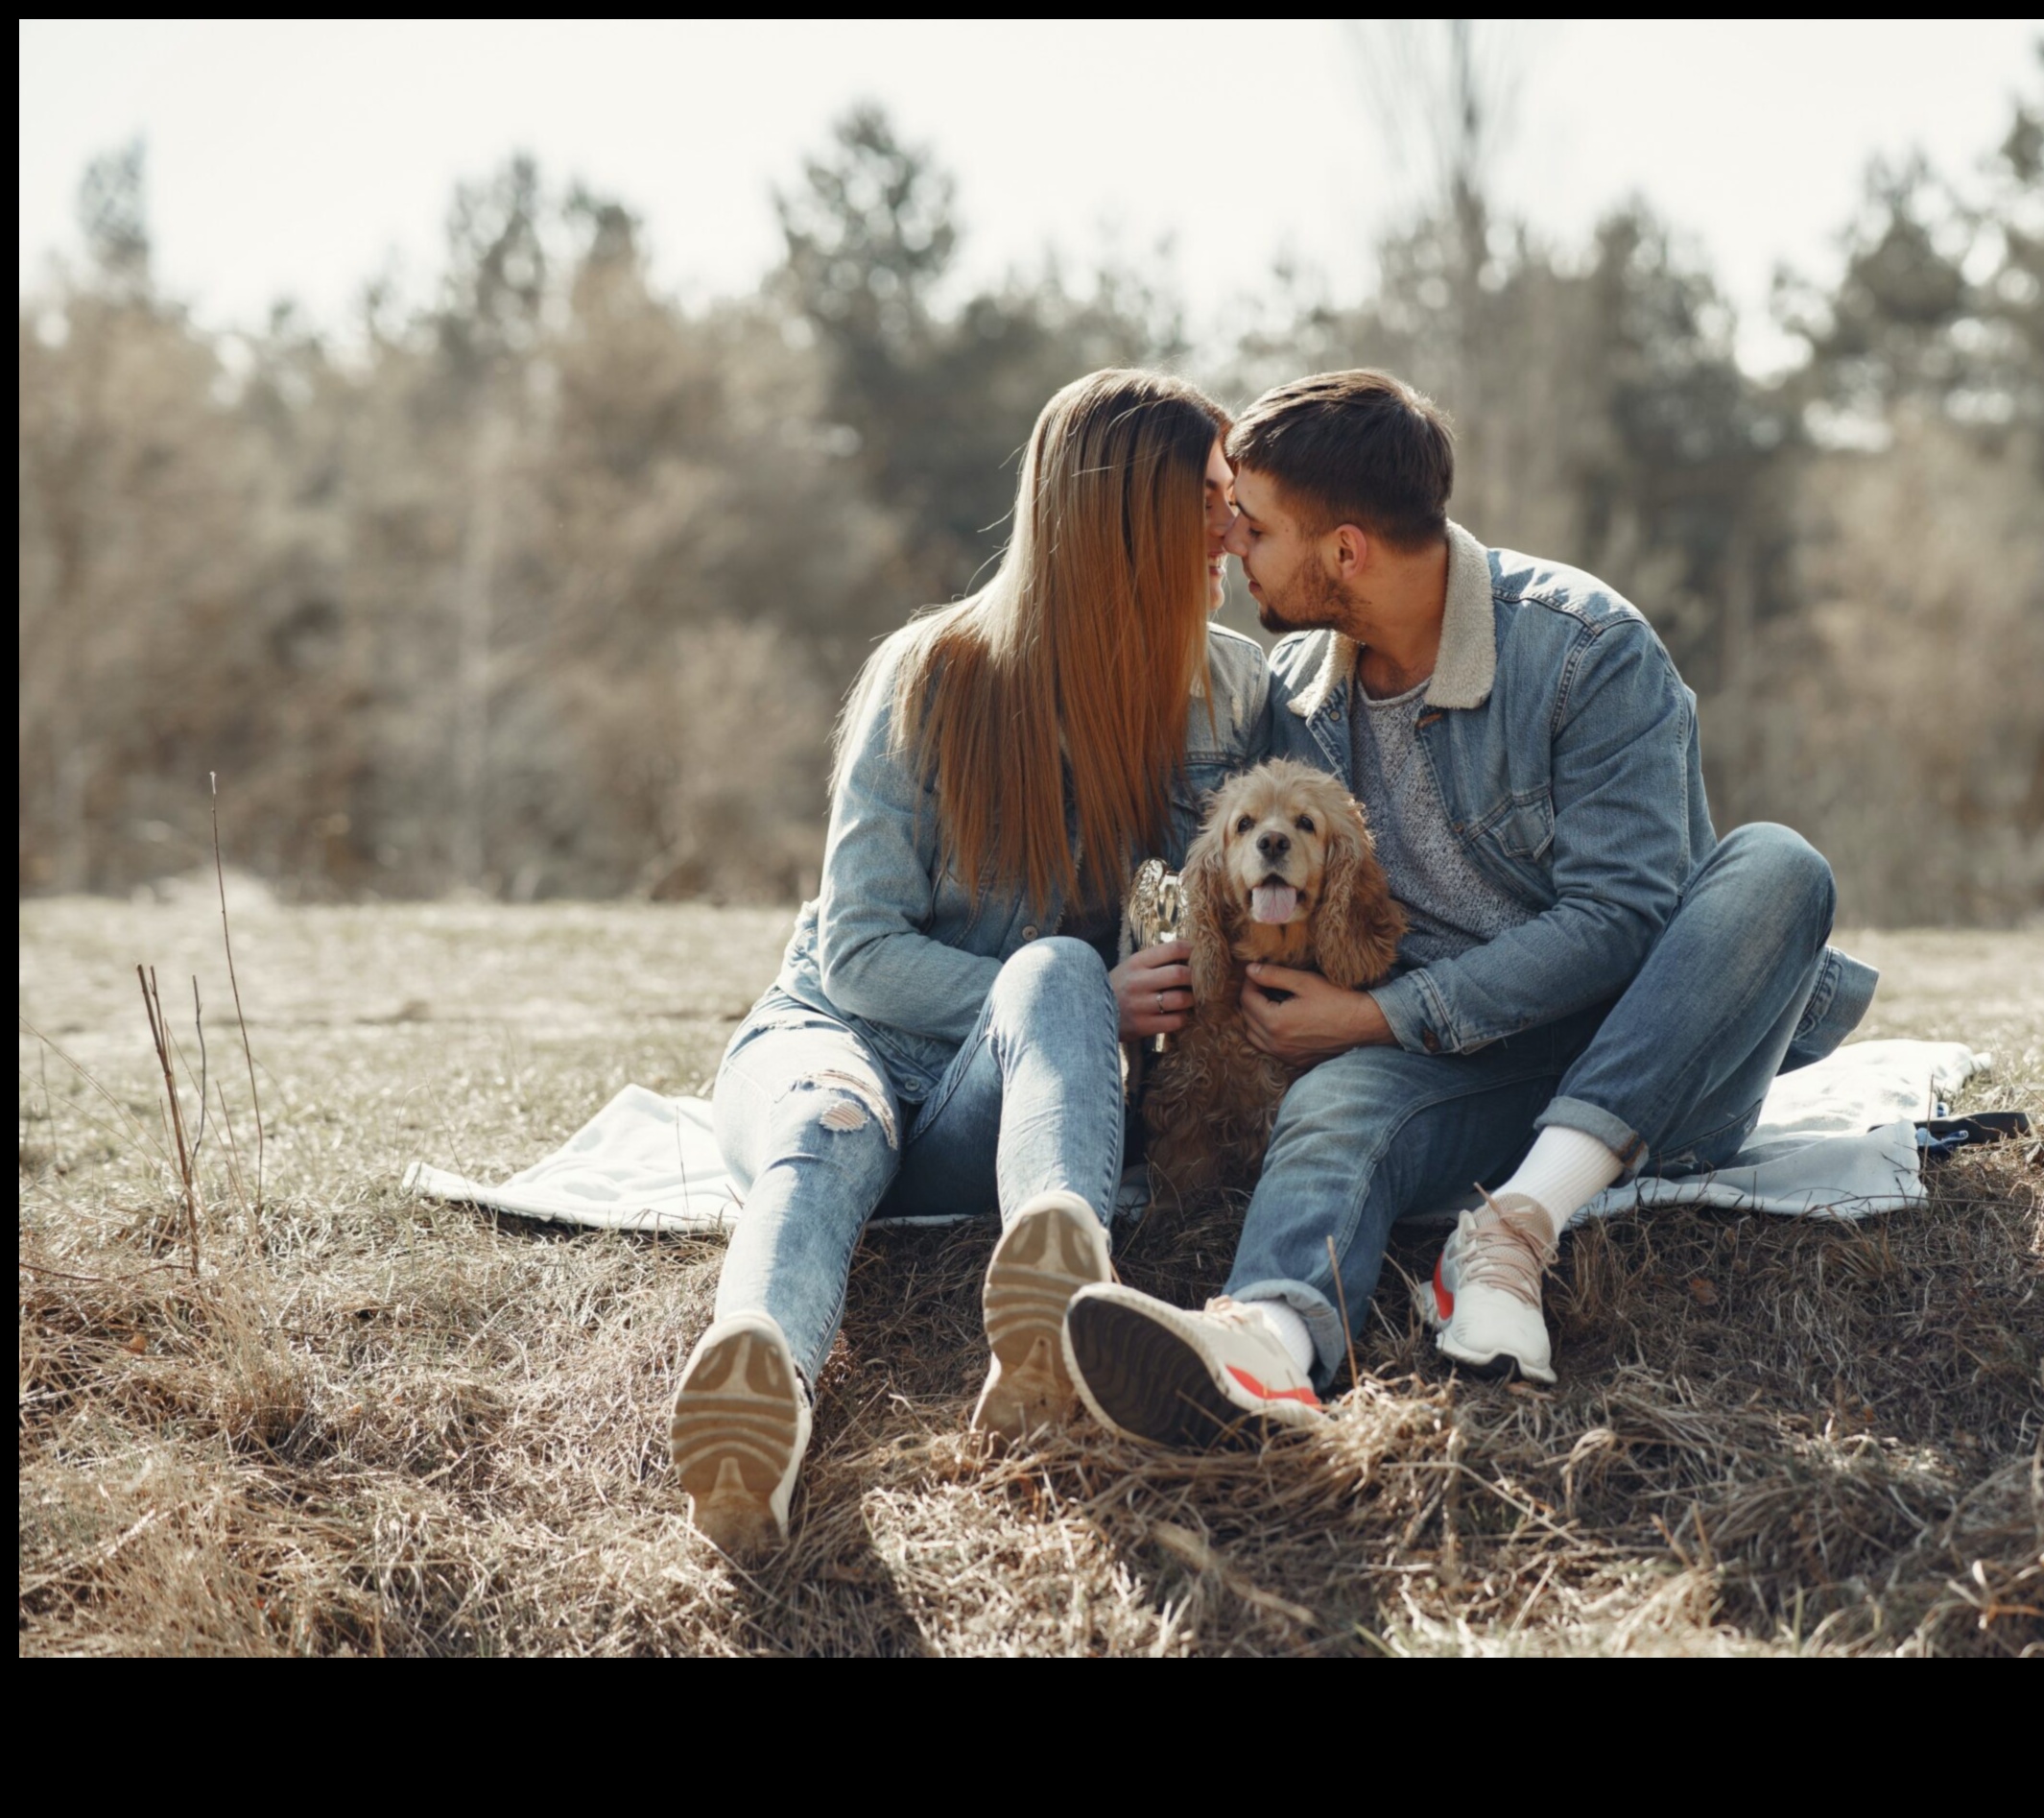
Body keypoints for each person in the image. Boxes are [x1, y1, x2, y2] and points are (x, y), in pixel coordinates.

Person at [1061, 371, 1877, 1444]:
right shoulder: (1297, 692)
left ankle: (1513, 1231)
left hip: (1648, 1054)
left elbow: (1622, 919)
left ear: (1344, 550)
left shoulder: (1586, 650)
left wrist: (1379, 1017)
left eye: (1249, 527)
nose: (1226, 544)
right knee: (1335, 1105)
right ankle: (1264, 1337)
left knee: (1779, 867)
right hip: (1456, 1070)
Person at [669, 369, 1267, 1551]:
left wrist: (1118, 997)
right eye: (1205, 496)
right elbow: (857, 953)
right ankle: (758, 1399)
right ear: (1124, 515)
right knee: (823, 1130)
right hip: (839, 1038)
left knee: (1047, 970)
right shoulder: (933, 676)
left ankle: (1049, 1309)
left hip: (994, 1100)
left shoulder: (1224, 687)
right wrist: (1096, 1001)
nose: (1232, 527)